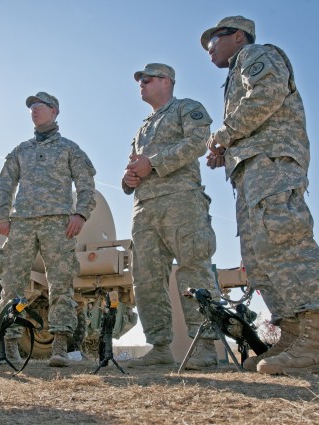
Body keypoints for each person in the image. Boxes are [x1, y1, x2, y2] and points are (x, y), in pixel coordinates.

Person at [201, 16, 319, 374]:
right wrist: (226, 150)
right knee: (261, 256)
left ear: (236, 36)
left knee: (285, 239)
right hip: (250, 170)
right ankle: (294, 337)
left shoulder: (255, 54)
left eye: (214, 40)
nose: (209, 49)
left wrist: (223, 135)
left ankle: (317, 339)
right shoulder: (234, 74)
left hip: (271, 163)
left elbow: (266, 94)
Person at [122, 63, 219, 369]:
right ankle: (160, 346)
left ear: (166, 81)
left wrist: (154, 162)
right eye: (140, 81)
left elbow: (197, 143)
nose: (141, 84)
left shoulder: (186, 108)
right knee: (146, 278)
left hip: (181, 202)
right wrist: (129, 179)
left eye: (147, 79)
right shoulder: (142, 127)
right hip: (145, 208)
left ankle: (204, 346)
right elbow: (135, 165)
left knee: (194, 269)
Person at [0, 92, 96, 368]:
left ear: (54, 111)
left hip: (58, 223)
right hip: (22, 223)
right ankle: (9, 347)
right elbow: (5, 184)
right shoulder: (20, 151)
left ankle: (60, 347)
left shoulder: (70, 149)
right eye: (32, 107)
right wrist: (2, 215)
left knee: (60, 284)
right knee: (12, 284)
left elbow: (86, 185)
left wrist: (80, 214)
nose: (34, 111)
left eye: (40, 106)